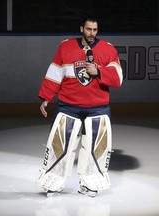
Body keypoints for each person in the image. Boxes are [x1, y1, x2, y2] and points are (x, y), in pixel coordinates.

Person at [36, 17, 123, 197]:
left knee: (96, 147)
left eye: (95, 30)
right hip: (68, 105)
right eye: (89, 29)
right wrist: (46, 97)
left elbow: (118, 78)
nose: (92, 33)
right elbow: (55, 73)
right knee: (60, 144)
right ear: (81, 28)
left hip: (98, 106)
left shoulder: (108, 49)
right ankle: (53, 181)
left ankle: (91, 183)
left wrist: (98, 71)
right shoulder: (65, 47)